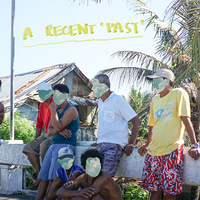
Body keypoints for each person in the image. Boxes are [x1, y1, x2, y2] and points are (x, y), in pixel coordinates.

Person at [138, 69, 200, 200]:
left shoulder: (179, 93)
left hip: (171, 150)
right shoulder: (155, 100)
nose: (153, 84)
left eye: (156, 81)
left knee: (169, 193)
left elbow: (186, 119)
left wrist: (194, 144)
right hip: (153, 152)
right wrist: (148, 144)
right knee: (153, 191)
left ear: (166, 81)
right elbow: (152, 126)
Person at [91, 74, 140, 176]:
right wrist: (100, 140)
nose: (92, 88)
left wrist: (131, 143)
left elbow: (136, 121)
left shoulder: (118, 100)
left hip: (114, 146)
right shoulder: (100, 101)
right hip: (101, 144)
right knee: (93, 176)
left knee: (105, 178)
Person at [36, 83, 79, 200]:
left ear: (64, 95)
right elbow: (49, 130)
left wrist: (53, 111)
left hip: (65, 145)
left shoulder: (71, 110)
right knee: (44, 176)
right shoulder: (58, 109)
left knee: (54, 178)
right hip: (54, 144)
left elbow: (57, 127)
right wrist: (59, 130)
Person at [57, 149, 122, 200]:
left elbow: (88, 196)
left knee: (95, 198)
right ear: (83, 167)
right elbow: (59, 192)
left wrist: (72, 194)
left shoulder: (104, 177)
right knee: (67, 196)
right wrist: (77, 193)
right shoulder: (83, 178)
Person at [23, 82, 53, 190]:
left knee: (43, 146)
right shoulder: (41, 105)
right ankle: (39, 174)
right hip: (46, 134)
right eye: (40, 93)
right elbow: (39, 124)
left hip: (55, 133)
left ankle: (43, 179)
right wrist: (36, 140)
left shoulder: (55, 103)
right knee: (28, 147)